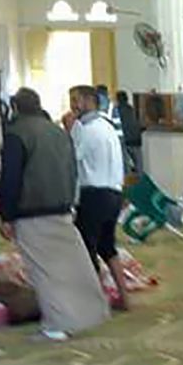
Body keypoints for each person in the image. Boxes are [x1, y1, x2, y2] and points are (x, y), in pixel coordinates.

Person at [0, 87, 109, 341]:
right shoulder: (58, 132)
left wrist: (7, 214)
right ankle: (86, 314)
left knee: (43, 272)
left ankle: (55, 325)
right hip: (61, 208)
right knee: (69, 267)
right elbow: (72, 170)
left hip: (31, 211)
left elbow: (11, 178)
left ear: (15, 108)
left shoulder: (17, 134)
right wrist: (71, 202)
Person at [71, 85, 129, 312]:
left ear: (88, 101)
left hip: (93, 194)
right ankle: (124, 296)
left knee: (86, 249)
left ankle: (94, 302)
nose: (72, 105)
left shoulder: (85, 129)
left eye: (75, 100)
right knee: (107, 247)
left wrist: (69, 131)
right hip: (113, 192)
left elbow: (73, 157)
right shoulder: (108, 126)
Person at [114, 90, 144, 175]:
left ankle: (128, 184)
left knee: (125, 167)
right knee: (139, 165)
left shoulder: (117, 111)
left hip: (125, 141)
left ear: (117, 99)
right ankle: (140, 183)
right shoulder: (133, 110)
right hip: (137, 140)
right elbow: (141, 124)